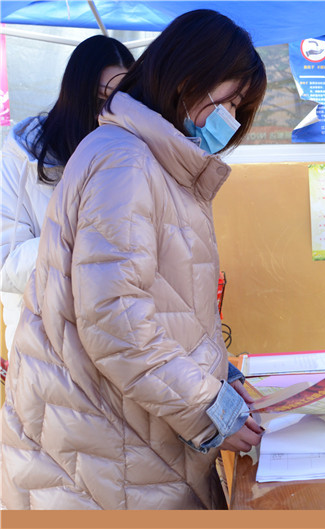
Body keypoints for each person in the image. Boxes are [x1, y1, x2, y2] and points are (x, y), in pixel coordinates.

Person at [0, 9, 267, 509]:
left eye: (242, 107)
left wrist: (218, 374)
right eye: (230, 100)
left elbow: (168, 308)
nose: (231, 118)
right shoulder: (124, 161)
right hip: (100, 462)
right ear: (190, 77)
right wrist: (212, 409)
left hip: (126, 446)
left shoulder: (156, 163)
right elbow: (116, 322)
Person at [1, 35, 134, 355]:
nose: (110, 112)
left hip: (116, 342)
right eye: (101, 98)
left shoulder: (132, 154)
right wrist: (77, 238)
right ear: (76, 96)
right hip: (44, 347)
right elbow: (6, 265)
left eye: (124, 100)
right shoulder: (23, 158)